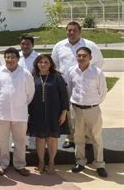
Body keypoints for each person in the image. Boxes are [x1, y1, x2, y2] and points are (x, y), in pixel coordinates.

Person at [51, 21, 104, 149]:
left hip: (84, 84)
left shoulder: (90, 45)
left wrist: (86, 74)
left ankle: (88, 139)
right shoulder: (59, 46)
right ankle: (71, 138)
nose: (72, 33)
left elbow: (99, 62)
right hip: (65, 84)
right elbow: (55, 63)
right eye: (69, 30)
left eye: (74, 30)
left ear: (80, 31)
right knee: (69, 112)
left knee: (85, 112)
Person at [0, 47, 34, 177]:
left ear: (18, 58)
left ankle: (20, 165)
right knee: (1, 141)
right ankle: (2, 164)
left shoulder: (25, 74)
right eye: (7, 57)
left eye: (12, 57)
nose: (10, 60)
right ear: (4, 59)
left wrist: (18, 103)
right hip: (1, 113)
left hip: (20, 113)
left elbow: (30, 94)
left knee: (20, 141)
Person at [68, 47, 108, 178]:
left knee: (96, 138)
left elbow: (103, 92)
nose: (81, 58)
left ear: (90, 58)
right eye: (79, 55)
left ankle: (99, 164)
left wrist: (93, 104)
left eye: (84, 56)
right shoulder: (72, 71)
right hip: (76, 109)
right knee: (78, 137)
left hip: (92, 109)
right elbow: (70, 88)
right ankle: (80, 162)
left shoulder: (97, 72)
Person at [27, 54, 69, 174]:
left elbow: (64, 96)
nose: (43, 64)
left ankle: (51, 162)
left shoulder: (57, 77)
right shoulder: (32, 77)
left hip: (54, 112)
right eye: (40, 62)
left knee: (52, 139)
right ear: (37, 64)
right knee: (40, 139)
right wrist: (28, 112)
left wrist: (63, 113)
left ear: (50, 64)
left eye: (46, 62)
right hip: (37, 112)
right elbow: (28, 95)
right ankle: (41, 162)